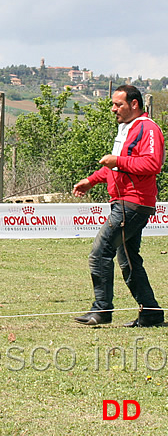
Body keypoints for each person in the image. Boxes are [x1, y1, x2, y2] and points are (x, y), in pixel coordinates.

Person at [73, 84, 164, 327]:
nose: (113, 109)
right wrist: (91, 181)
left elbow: (152, 164)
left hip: (133, 203)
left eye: (118, 104)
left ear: (134, 104)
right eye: (113, 104)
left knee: (100, 252)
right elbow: (114, 166)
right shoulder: (127, 128)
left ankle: (101, 310)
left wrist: (118, 160)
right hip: (125, 202)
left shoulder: (148, 128)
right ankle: (152, 313)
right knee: (129, 260)